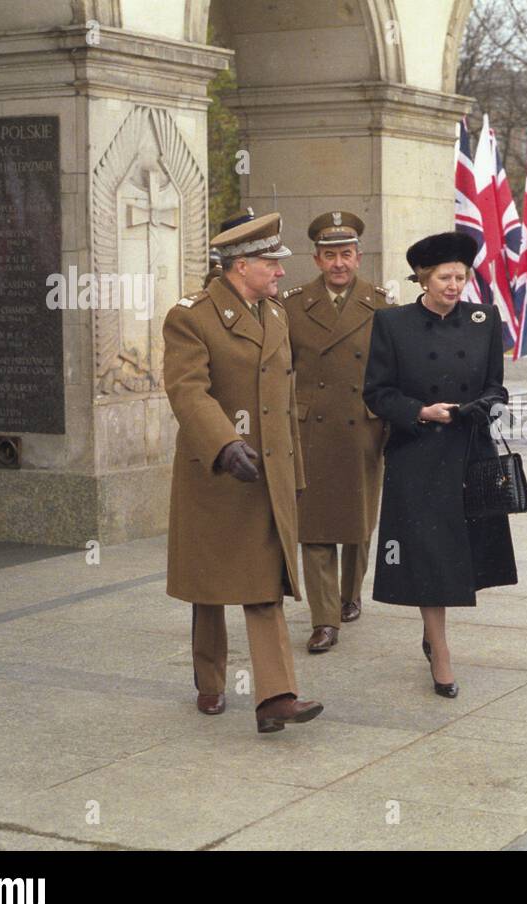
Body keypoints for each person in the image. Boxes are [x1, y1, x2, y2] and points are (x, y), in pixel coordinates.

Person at [162, 212, 323, 734]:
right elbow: (188, 390)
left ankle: (276, 696)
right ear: (240, 266)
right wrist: (225, 445)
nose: (280, 272)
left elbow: (285, 399)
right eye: (270, 263)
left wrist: (293, 470)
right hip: (216, 473)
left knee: (263, 585)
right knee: (209, 587)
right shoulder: (191, 317)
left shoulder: (274, 314)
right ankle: (210, 681)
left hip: (267, 476)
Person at [363, 231, 517, 699]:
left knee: (458, 556)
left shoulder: (484, 319)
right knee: (428, 557)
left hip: (470, 453)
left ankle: (433, 638)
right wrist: (419, 412)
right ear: (423, 279)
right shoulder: (392, 324)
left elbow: (497, 388)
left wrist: (479, 408)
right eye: (445, 277)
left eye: (461, 277)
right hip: (418, 456)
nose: (455, 285)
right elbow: (377, 393)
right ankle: (442, 652)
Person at [283, 211, 393, 653]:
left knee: (358, 523)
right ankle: (324, 617)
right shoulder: (291, 305)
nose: (338, 264)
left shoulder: (381, 305)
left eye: (346, 254)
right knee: (316, 526)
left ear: (358, 256)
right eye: (330, 256)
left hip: (362, 426)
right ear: (316, 259)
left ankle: (350, 594)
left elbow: (393, 371)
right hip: (312, 428)